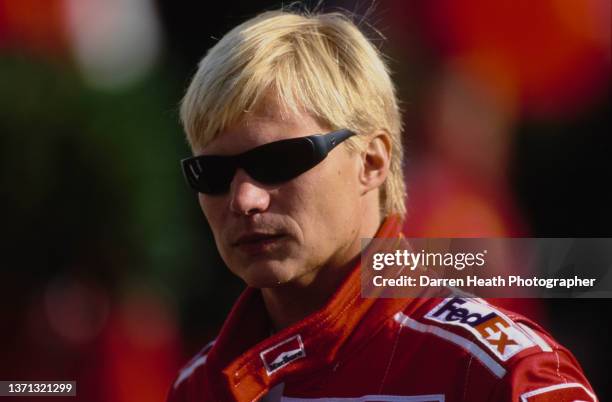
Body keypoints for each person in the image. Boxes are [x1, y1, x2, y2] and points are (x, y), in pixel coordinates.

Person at [167, 8, 598, 402]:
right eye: (213, 174)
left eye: (279, 161)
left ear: (372, 161)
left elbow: (564, 274)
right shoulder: (198, 386)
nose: (244, 199)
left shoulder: (508, 376)